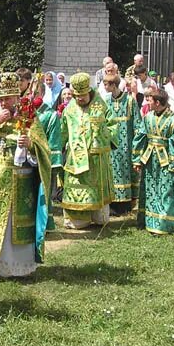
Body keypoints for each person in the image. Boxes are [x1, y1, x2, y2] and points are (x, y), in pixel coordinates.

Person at [0, 73, 52, 280]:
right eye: (0, 99)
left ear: (17, 97)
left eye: (7, 98)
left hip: (21, 182)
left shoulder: (30, 119)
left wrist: (31, 146)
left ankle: (16, 267)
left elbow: (43, 153)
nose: (4, 103)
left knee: (15, 227)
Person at [60, 72, 119, 229]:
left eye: (82, 95)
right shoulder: (70, 109)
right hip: (75, 157)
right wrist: (58, 147)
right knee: (76, 186)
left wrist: (102, 136)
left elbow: (113, 125)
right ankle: (77, 219)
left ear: (89, 91)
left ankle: (98, 215)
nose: (79, 99)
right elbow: (63, 131)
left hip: (96, 158)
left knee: (98, 201)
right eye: (76, 95)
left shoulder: (101, 106)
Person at [132, 90, 174, 235]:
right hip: (150, 160)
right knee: (149, 190)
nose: (147, 103)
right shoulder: (148, 117)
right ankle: (147, 221)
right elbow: (140, 137)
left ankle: (164, 224)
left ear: (157, 102)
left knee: (166, 191)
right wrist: (137, 160)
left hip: (167, 162)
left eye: (149, 100)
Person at [100, 73, 143, 214]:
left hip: (126, 146)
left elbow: (137, 123)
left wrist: (136, 145)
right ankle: (111, 204)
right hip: (111, 145)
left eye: (107, 84)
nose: (105, 87)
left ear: (114, 85)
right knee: (111, 173)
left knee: (126, 173)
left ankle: (126, 205)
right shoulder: (105, 100)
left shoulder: (130, 101)